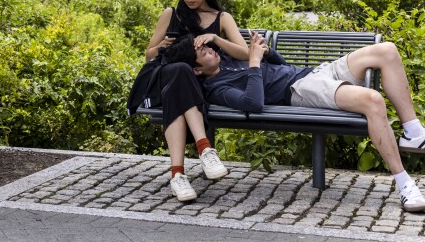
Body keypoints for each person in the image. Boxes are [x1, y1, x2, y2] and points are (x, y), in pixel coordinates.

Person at [162, 31, 425, 212]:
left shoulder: (228, 59)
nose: (211, 50)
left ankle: (413, 131)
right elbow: (254, 103)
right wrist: (253, 62)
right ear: (197, 70)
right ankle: (405, 185)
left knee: (387, 50)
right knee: (372, 100)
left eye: (208, 46)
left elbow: (281, 65)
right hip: (302, 90)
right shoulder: (217, 88)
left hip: (316, 72)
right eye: (204, 52)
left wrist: (264, 51)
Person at [130, 0, 247, 202]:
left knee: (182, 83)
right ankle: (204, 149)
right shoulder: (170, 14)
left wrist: (214, 37)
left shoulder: (222, 18)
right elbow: (149, 55)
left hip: (194, 86)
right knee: (181, 70)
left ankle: (178, 175)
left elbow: (245, 53)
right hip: (163, 79)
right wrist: (161, 46)